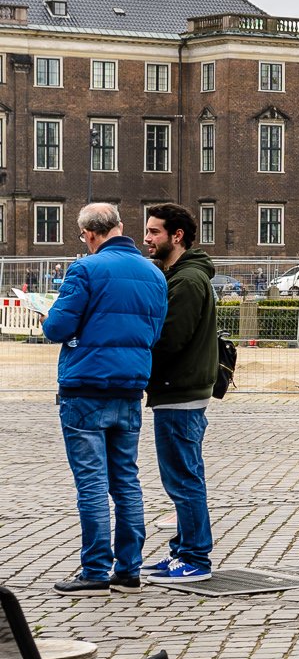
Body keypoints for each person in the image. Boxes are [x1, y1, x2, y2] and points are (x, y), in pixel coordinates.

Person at [42, 202, 168, 593]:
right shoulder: (154, 273)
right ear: (120, 226)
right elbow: (155, 333)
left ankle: (95, 569)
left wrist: (50, 318)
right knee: (126, 480)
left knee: (92, 483)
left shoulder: (85, 268)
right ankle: (129, 569)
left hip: (86, 388)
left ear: (89, 234)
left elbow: (57, 327)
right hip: (130, 387)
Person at [143, 203, 218, 585]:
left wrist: (136, 348)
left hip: (180, 391)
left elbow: (170, 339)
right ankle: (182, 550)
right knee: (184, 476)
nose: (147, 237)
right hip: (180, 390)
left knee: (183, 479)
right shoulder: (180, 276)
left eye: (155, 231)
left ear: (177, 236)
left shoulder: (187, 282)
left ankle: (194, 558)